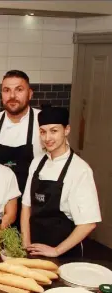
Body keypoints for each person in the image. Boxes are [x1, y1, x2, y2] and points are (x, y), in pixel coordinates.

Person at [21, 106, 101, 257]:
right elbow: (26, 206)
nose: (47, 138)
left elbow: (89, 223)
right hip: (35, 248)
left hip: (65, 252)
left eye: (54, 131)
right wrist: (26, 244)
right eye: (43, 132)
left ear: (67, 130)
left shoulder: (80, 170)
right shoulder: (37, 163)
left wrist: (56, 251)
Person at [0, 70, 44, 229]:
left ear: (30, 93)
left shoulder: (43, 122)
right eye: (6, 90)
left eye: (19, 89)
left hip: (31, 205)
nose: (12, 95)